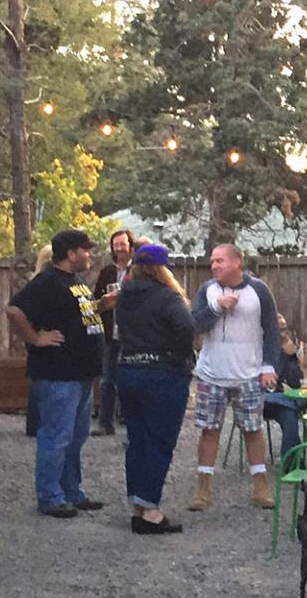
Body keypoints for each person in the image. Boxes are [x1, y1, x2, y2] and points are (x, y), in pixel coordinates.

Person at [6, 230, 107, 518]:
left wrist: (102, 306)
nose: (90, 255)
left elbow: (73, 316)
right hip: (58, 375)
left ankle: (71, 492)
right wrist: (36, 337)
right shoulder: (48, 282)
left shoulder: (75, 281)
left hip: (81, 374)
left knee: (75, 437)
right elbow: (14, 311)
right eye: (85, 250)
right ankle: (50, 497)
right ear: (71, 253)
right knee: (56, 437)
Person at [187, 243, 283, 511]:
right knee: (210, 430)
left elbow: (271, 329)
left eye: (220, 261)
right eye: (212, 262)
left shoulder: (259, 290)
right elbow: (193, 325)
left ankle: (260, 486)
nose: (214, 266)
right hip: (211, 373)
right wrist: (216, 308)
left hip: (249, 374)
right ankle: (203, 487)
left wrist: (268, 366)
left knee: (253, 430)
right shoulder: (208, 290)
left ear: (237, 262)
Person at [112, 242, 195, 535]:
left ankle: (137, 504)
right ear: (163, 268)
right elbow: (186, 327)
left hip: (128, 371)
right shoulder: (168, 297)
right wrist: (178, 357)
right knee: (160, 442)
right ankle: (150, 511)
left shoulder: (123, 297)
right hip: (162, 376)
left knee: (137, 440)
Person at [91, 229, 135, 436]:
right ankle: (105, 423)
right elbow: (95, 301)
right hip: (110, 333)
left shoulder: (138, 271)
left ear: (130, 246)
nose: (119, 248)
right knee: (107, 379)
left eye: (122, 244)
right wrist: (104, 304)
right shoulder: (107, 271)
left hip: (132, 334)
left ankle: (128, 420)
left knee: (129, 378)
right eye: (115, 244)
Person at [262, 313, 304, 460]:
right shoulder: (261, 348)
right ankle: (294, 461)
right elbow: (270, 382)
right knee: (293, 405)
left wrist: (293, 358)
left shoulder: (288, 350)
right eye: (278, 317)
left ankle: (292, 462)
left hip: (282, 401)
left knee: (289, 414)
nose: (281, 320)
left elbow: (296, 382)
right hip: (260, 398)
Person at [24, 243, 54, 437]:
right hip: (43, 335)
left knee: (38, 380)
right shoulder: (42, 285)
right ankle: (36, 423)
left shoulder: (36, 284)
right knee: (43, 380)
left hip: (37, 335)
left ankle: (34, 423)